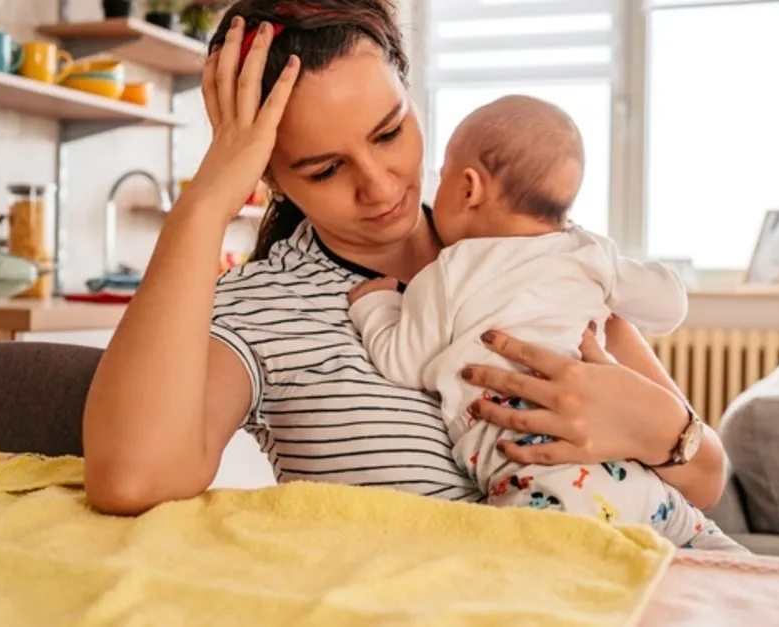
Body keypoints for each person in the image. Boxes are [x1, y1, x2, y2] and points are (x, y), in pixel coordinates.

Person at [80, 0, 728, 519]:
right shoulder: (265, 305)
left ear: (411, 91)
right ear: (272, 175)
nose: (381, 184)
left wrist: (658, 427)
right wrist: (207, 200)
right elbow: (134, 478)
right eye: (325, 167)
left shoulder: (532, 247)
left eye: (390, 131)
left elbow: (706, 478)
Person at [344, 95, 744, 552]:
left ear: (469, 188)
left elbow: (402, 360)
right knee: (739, 573)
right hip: (639, 482)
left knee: (532, 575)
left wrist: (375, 306)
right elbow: (669, 308)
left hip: (549, 481)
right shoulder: (588, 251)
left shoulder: (448, 272)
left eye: (444, 173)